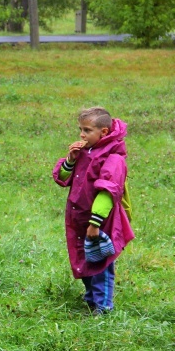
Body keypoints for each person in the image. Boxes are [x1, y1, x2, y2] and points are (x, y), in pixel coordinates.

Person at [52, 106, 134, 315]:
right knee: (84, 256)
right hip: (79, 216)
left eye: (87, 130)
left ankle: (103, 307)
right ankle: (91, 298)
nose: (82, 134)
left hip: (99, 220)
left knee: (101, 262)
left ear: (103, 132)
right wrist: (70, 160)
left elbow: (108, 191)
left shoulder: (114, 158)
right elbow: (62, 178)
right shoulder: (85, 151)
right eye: (80, 129)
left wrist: (95, 223)